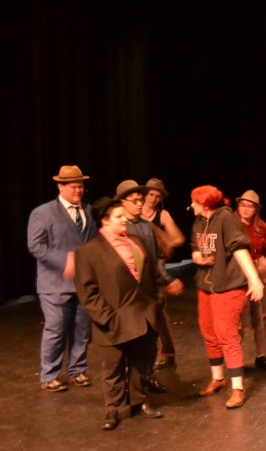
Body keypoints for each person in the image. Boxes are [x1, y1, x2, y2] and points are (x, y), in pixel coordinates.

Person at [74, 197, 182, 430]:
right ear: (105, 221)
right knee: (112, 367)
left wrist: (157, 299)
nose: (125, 220)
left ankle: (138, 401)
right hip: (113, 319)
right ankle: (114, 408)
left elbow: (151, 272)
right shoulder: (89, 252)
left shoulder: (136, 241)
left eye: (125, 215)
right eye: (119, 217)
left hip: (143, 315)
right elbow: (87, 292)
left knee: (140, 363)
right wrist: (106, 317)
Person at [190, 185, 265, 409]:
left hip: (229, 286)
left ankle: (238, 388)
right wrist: (198, 259)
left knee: (227, 335)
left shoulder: (225, 219)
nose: (190, 205)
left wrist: (254, 279)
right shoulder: (200, 221)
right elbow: (195, 247)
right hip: (206, 285)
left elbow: (239, 249)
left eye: (193, 201)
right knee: (209, 332)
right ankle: (218, 378)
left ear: (204, 204)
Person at [26, 165, 98, 392]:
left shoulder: (88, 210)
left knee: (81, 329)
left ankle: (78, 370)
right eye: (75, 186)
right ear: (61, 186)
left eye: (81, 186)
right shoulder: (43, 213)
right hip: (55, 283)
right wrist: (64, 260)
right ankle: (49, 375)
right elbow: (36, 246)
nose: (79, 190)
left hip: (83, 283)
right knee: (56, 329)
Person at [115, 180, 185, 394]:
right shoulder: (117, 226)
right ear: (122, 202)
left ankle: (146, 376)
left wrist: (167, 280)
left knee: (150, 337)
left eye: (140, 199)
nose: (141, 203)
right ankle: (126, 384)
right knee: (128, 339)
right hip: (126, 294)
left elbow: (154, 261)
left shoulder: (146, 227)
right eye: (135, 200)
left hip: (149, 292)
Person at [141, 177, 187, 370]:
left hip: (156, 264)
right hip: (137, 263)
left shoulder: (162, 215)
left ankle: (167, 352)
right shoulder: (134, 212)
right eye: (150, 194)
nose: (153, 199)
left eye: (157, 196)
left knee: (158, 310)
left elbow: (178, 239)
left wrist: (163, 239)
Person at [235, 190, 266, 371]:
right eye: (243, 205)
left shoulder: (262, 227)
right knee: (238, 318)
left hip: (260, 271)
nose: (246, 209)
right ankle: (235, 359)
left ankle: (261, 356)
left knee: (261, 317)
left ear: (256, 209)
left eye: (250, 206)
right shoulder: (232, 226)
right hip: (238, 273)